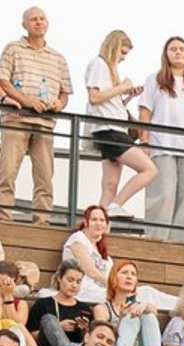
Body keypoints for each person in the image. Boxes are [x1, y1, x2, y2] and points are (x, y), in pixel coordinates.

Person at [136, 36, 184, 242]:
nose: (178, 52)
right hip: (161, 145)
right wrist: (144, 141)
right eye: (173, 49)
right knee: (164, 193)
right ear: (166, 54)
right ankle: (156, 240)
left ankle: (181, 243)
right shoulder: (154, 80)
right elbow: (144, 113)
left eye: (182, 49)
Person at [0, 8, 72, 225]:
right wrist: (26, 101)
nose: (38, 23)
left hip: (45, 123)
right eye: (33, 19)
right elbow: (3, 81)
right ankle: (3, 219)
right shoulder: (13, 48)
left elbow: (65, 92)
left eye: (42, 19)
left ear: (47, 23)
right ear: (24, 25)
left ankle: (42, 222)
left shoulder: (58, 58)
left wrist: (59, 103)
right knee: (7, 173)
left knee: (45, 177)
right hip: (16, 119)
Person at [83, 31, 155, 217]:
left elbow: (107, 105)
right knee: (149, 169)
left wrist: (128, 95)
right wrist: (122, 87)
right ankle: (115, 205)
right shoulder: (100, 64)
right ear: (113, 48)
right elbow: (95, 97)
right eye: (122, 53)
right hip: (110, 131)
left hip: (108, 128)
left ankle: (98, 229)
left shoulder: (107, 69)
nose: (123, 58)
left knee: (109, 185)